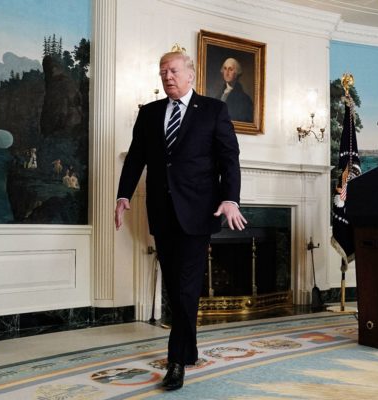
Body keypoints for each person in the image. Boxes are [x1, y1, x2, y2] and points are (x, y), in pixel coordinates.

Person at [115, 48, 247, 391]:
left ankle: (175, 361)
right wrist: (123, 195)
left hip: (199, 212)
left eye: (172, 70)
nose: (167, 76)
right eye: (162, 72)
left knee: (187, 286)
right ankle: (189, 348)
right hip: (161, 212)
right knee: (175, 286)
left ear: (190, 74)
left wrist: (230, 198)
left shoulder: (214, 110)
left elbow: (229, 159)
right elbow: (136, 159)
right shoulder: (149, 113)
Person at [215, 58, 253, 122]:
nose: (227, 73)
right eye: (225, 68)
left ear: (236, 73)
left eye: (230, 69)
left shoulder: (245, 100)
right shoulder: (218, 95)